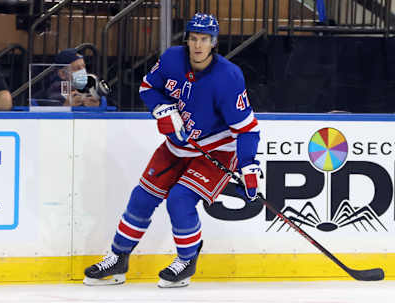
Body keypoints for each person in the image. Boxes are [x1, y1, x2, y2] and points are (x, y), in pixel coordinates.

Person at [83, 13, 261, 288]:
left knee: (179, 199)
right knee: (141, 198)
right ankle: (118, 258)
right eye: (194, 39)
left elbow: (246, 128)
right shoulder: (171, 59)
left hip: (215, 151)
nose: (198, 45)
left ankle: (187, 260)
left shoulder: (228, 77)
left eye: (204, 40)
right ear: (187, 40)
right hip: (176, 147)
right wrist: (162, 108)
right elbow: (147, 87)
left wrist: (248, 166)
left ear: (213, 43)